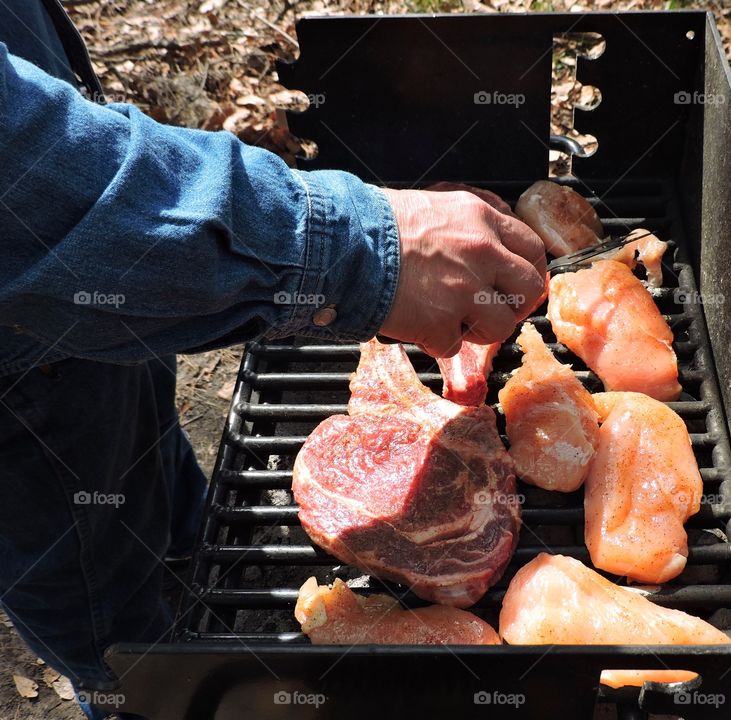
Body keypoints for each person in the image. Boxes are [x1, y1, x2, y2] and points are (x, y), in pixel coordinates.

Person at [0, 2, 547, 718]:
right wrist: (356, 249)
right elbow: (23, 187)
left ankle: (214, 595)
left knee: (166, 509)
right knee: (124, 648)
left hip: (84, 339)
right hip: (16, 406)